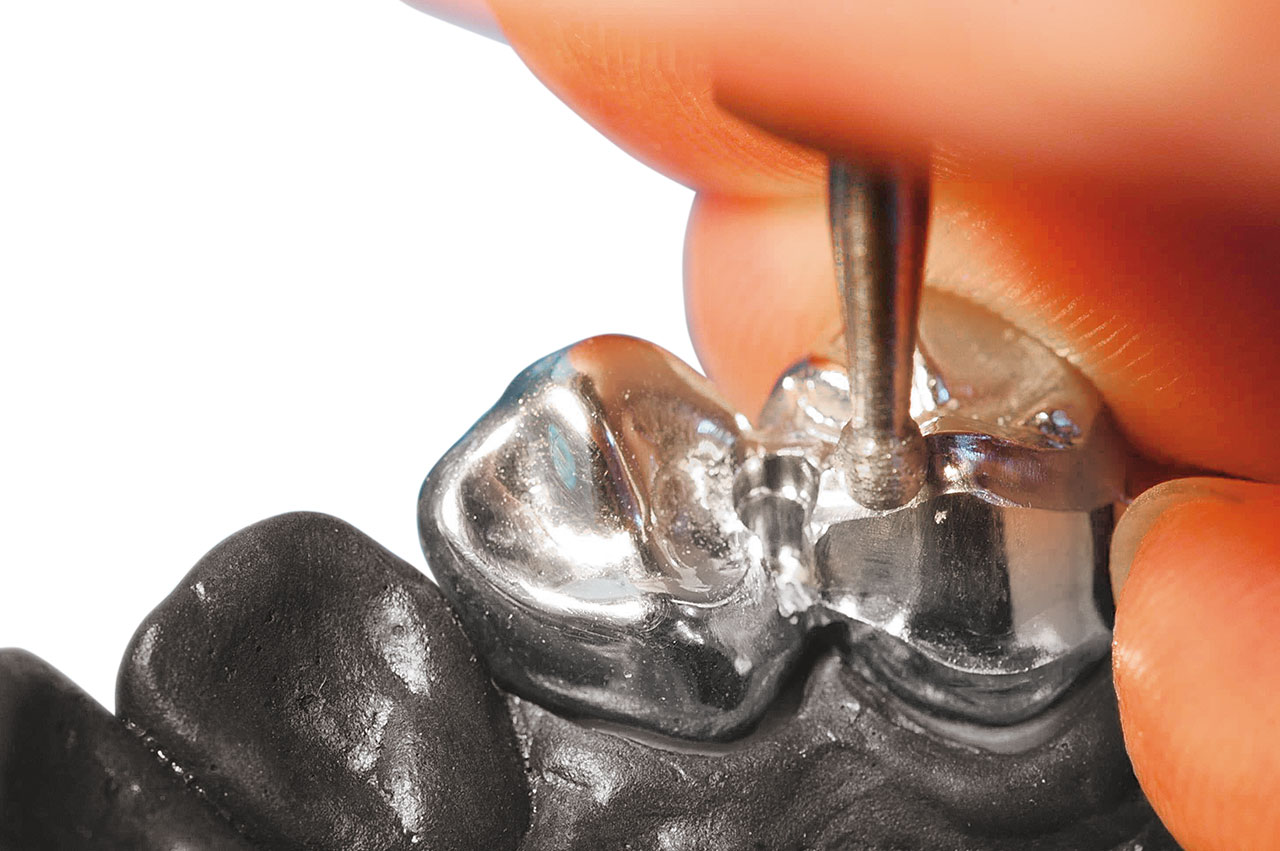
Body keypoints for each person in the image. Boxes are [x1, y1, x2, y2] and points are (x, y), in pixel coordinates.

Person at [405, 2, 1279, 849]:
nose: (721, 474)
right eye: (675, 519)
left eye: (668, 438)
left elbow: (1039, 496)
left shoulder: (834, 434)